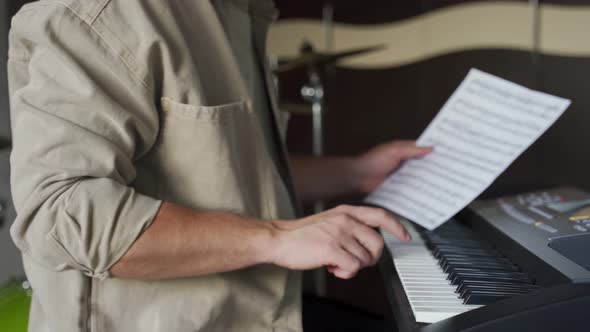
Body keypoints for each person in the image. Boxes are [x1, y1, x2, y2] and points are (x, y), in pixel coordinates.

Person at [7, 0, 431, 331]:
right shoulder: (100, 14)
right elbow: (60, 214)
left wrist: (357, 172)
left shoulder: (236, 13)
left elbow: (232, 172)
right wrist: (277, 238)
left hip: (263, 313)